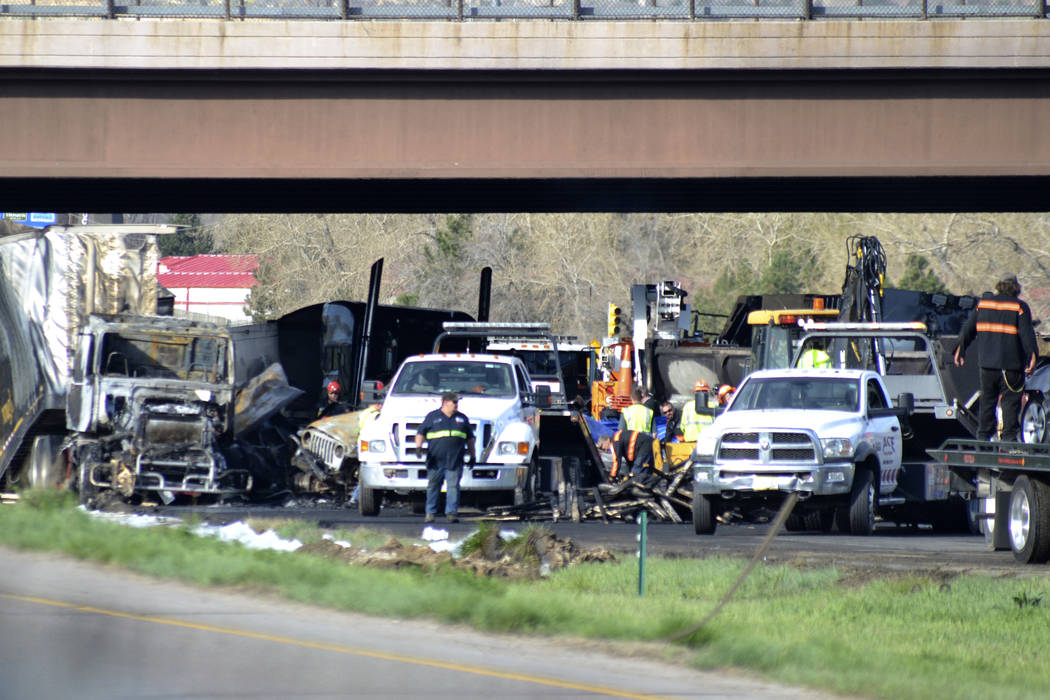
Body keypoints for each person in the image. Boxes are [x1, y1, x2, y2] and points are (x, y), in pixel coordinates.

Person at [954, 275, 1038, 443]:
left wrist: (960, 349)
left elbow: (968, 330)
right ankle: (1008, 439)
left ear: (999, 287)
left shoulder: (983, 305)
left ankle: (983, 438)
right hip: (1011, 367)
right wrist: (1033, 357)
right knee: (1010, 403)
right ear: (1016, 290)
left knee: (987, 401)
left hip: (987, 366)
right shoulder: (1019, 307)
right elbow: (1027, 337)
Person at [414, 391, 475, 523]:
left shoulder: (462, 418)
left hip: (455, 460)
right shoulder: (432, 417)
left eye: (457, 402)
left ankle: (451, 514)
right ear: (445, 402)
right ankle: (430, 513)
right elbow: (420, 432)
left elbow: (470, 438)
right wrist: (418, 447)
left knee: (453, 487)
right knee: (433, 486)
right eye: (454, 402)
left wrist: (472, 455)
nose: (456, 405)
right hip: (436, 461)